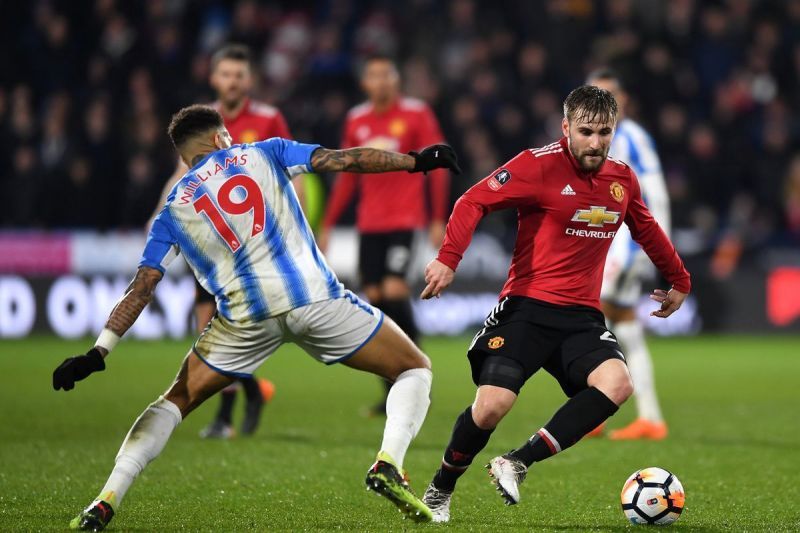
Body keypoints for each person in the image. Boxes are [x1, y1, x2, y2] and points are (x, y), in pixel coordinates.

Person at [53, 104, 460, 531]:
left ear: (182, 155)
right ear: (218, 139)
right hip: (314, 301)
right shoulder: (265, 152)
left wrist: (99, 351)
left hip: (244, 320)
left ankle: (104, 501)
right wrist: (415, 161)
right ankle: (388, 463)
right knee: (415, 367)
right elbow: (345, 159)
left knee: (174, 400)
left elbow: (142, 287)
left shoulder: (172, 210)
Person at [417, 86, 691, 523]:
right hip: (526, 306)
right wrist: (449, 259)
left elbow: (646, 229)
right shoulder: (536, 166)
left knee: (617, 383)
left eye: (604, 133)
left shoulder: (621, 179)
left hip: (581, 315)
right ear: (566, 129)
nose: (596, 143)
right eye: (586, 132)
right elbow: (472, 201)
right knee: (491, 407)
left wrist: (679, 279)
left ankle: (517, 461)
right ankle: (439, 489)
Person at [148, 44, 291, 439]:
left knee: (233, 326)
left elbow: (286, 173)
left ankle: (228, 413)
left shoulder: (268, 118)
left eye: (239, 75)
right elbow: (182, 174)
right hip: (209, 240)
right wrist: (158, 216)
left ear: (250, 81)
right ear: (214, 78)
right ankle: (245, 395)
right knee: (205, 326)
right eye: (226, 74)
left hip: (251, 241)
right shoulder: (200, 120)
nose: (232, 81)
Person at [317, 55, 451, 415]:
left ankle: (419, 371)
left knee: (393, 288)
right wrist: (328, 223)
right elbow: (347, 174)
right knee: (374, 298)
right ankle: (394, 387)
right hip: (369, 223)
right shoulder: (356, 119)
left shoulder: (416, 114)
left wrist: (439, 217)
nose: (381, 81)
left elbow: (437, 167)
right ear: (365, 83)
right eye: (373, 75)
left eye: (387, 75)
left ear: (396, 80)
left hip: (405, 220)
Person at [586, 68, 672, 440]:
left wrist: (661, 250)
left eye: (610, 96)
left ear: (623, 101)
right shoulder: (595, 141)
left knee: (589, 319)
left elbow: (657, 193)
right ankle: (649, 417)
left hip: (629, 245)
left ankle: (595, 410)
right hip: (610, 243)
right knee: (623, 326)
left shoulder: (633, 138)